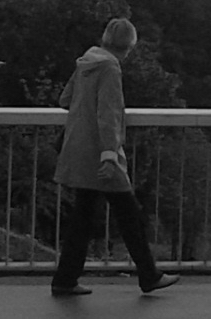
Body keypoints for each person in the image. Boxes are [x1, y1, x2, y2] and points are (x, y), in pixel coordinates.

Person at [50, 18, 179, 297]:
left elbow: (64, 99)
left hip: (77, 149)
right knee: (130, 215)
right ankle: (148, 275)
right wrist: (109, 154)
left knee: (82, 218)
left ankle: (65, 278)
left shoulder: (86, 60)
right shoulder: (110, 67)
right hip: (100, 155)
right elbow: (109, 113)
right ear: (130, 46)